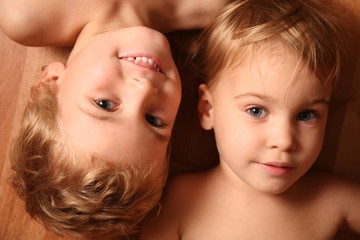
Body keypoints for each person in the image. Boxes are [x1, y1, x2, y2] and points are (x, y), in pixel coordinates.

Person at [0, 0, 235, 239]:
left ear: (51, 81)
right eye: (153, 120)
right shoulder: (220, 9)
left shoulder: (26, 13)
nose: (143, 90)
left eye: (104, 104)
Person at [139, 0, 360, 239]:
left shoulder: (332, 198)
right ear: (208, 109)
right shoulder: (177, 202)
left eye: (306, 115)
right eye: (256, 111)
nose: (284, 140)